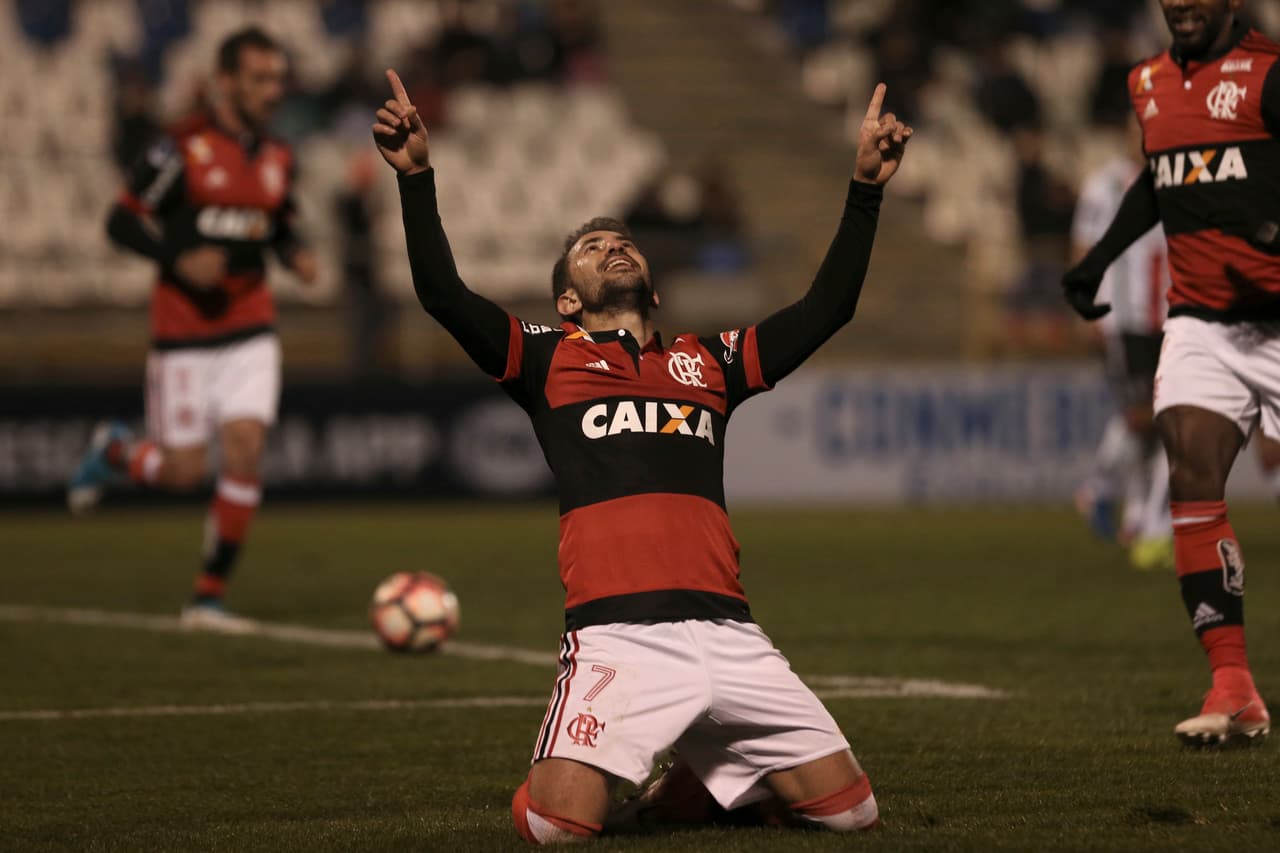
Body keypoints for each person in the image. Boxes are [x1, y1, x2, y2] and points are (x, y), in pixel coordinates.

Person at [373, 69, 910, 842]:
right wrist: (417, 178)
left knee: (852, 815)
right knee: (556, 827)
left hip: (730, 631)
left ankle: (686, 785)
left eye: (622, 243)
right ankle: (677, 768)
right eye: (592, 249)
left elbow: (828, 308)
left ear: (654, 290)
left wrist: (865, 189)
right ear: (567, 299)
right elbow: (443, 296)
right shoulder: (545, 358)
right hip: (617, 633)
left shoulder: (710, 360)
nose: (613, 247)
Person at [1062, 0, 1276, 746]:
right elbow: (1160, 181)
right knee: (1189, 467)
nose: (1181, 2)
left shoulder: (1269, 78)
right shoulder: (1148, 82)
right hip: (1199, 321)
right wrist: (1097, 261)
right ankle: (1233, 684)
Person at [68, 27, 317, 629]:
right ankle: (117, 451)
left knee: (246, 449)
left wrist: (294, 254)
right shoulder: (179, 148)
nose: (272, 90)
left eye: (278, 78)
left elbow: (277, 220)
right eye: (260, 78)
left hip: (251, 326)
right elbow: (120, 221)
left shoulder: (280, 154)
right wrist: (176, 261)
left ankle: (207, 599)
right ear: (224, 82)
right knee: (183, 472)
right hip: (184, 334)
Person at [1069, 118, 1173, 570]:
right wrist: (1086, 301)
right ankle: (1100, 487)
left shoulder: (1176, 176)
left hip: (1169, 318)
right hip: (1123, 320)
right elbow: (1082, 245)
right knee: (1140, 418)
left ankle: (1141, 518)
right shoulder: (1104, 185)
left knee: (1165, 424)